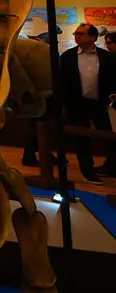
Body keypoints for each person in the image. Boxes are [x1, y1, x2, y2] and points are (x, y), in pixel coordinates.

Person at [60, 23, 116, 182]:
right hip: (77, 104)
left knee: (108, 135)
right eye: (75, 33)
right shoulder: (67, 56)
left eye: (81, 33)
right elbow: (62, 81)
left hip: (101, 103)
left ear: (92, 37)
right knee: (81, 139)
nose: (76, 36)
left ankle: (111, 166)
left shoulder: (107, 57)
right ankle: (87, 170)